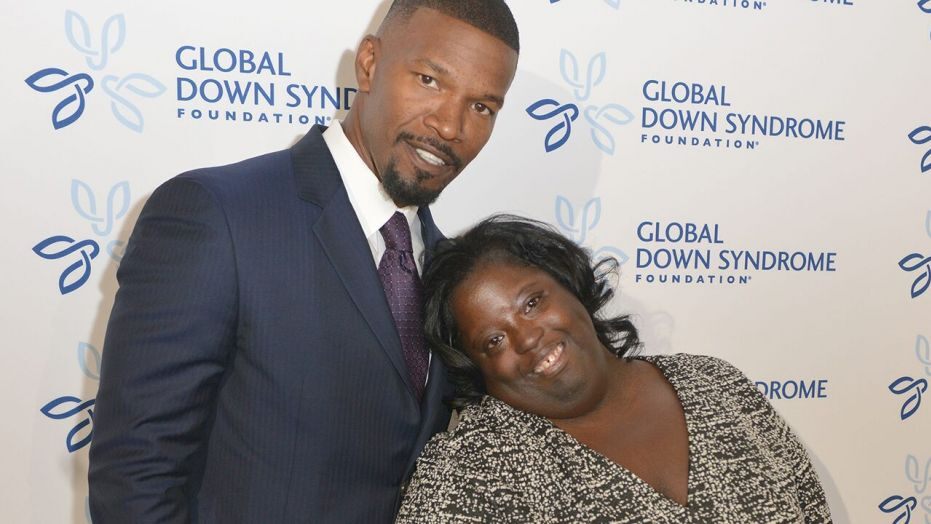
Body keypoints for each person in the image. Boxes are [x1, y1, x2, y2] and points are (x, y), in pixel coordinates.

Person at [87, 2, 519, 522]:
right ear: (369, 63)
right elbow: (136, 476)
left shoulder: (453, 273)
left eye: (482, 107)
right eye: (429, 80)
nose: (450, 126)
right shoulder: (218, 215)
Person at [397, 215, 832, 523]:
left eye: (532, 303)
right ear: (477, 367)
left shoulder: (717, 385)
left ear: (569, 283)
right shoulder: (472, 471)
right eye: (494, 341)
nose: (526, 338)